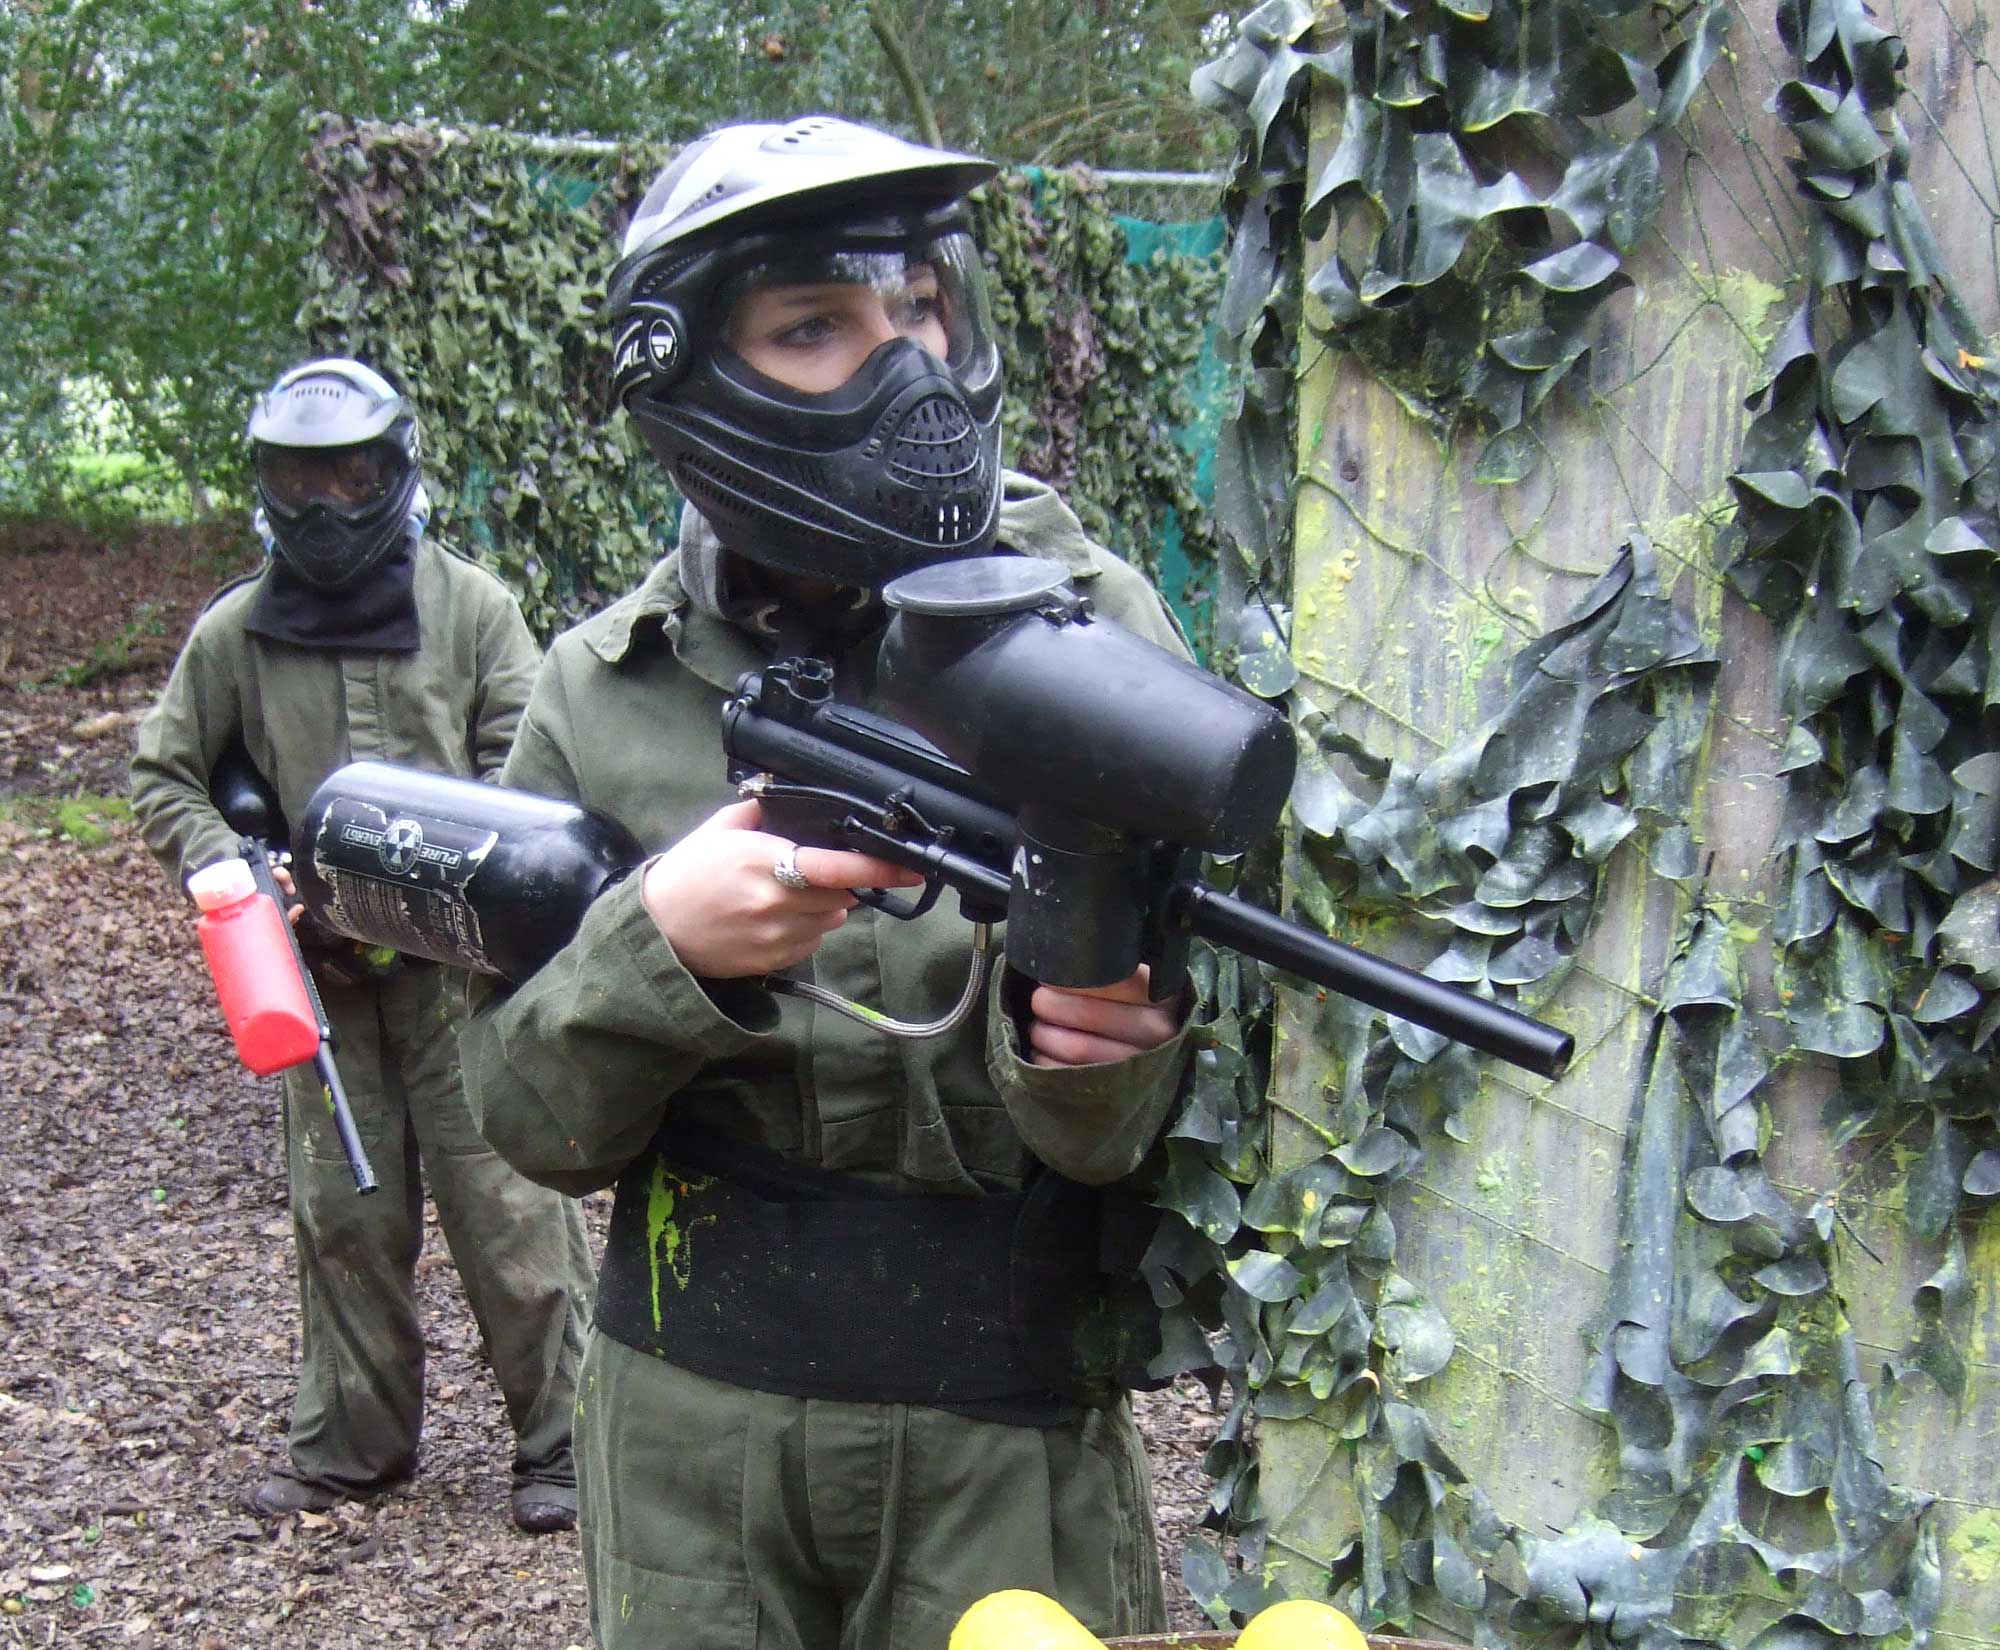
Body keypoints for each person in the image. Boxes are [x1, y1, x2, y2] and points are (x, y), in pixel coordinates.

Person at [459, 117, 1197, 1648]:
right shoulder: (606, 690)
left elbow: (1137, 1131)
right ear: (692, 376)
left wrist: (1093, 1044)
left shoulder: (1096, 643)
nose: (905, 372)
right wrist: (664, 949)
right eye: (818, 328)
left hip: (1008, 1440)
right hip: (695, 1457)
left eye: (922, 308)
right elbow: (531, 1125)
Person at [129, 358, 594, 1534]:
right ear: (265, 489)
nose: (326, 505)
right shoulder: (237, 632)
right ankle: (353, 1445)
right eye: (300, 479)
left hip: (461, 979)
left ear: (393, 475)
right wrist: (235, 870)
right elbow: (166, 775)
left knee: (510, 1209)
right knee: (342, 1215)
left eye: (349, 477)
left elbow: (533, 775)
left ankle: (568, 1448)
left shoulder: (472, 611)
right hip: (316, 979)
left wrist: (451, 880)